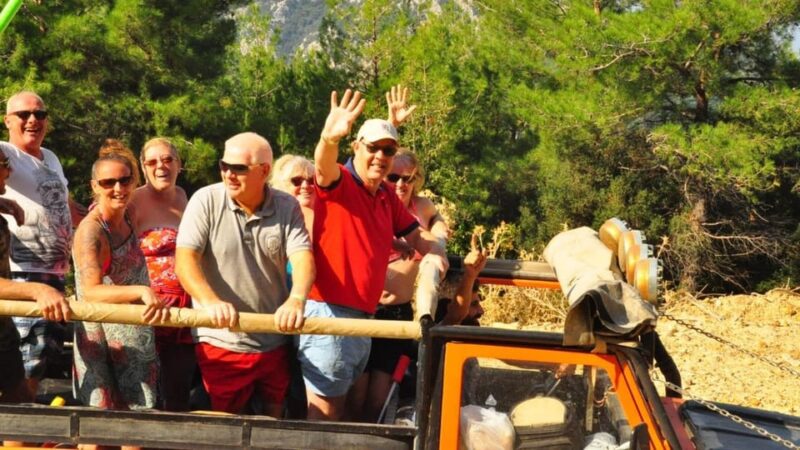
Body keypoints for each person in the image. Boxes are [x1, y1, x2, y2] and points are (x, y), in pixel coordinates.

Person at [300, 89, 448, 421]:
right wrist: (328, 137)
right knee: (324, 414)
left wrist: (438, 251)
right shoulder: (339, 183)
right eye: (373, 148)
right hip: (330, 314)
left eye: (388, 151)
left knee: (345, 413)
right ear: (355, 148)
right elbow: (323, 165)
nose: (381, 156)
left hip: (363, 318)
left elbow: (417, 235)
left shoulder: (384, 195)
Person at [175, 132, 314, 417]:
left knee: (272, 423)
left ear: (264, 171)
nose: (228, 174)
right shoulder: (205, 200)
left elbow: (303, 258)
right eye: (224, 166)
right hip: (221, 340)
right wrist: (210, 301)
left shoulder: (286, 205)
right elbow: (184, 260)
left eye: (238, 168)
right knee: (224, 427)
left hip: (274, 337)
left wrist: (297, 299)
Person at [72, 140, 168, 424]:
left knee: (136, 419)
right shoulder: (91, 232)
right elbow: (90, 291)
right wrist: (142, 291)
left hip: (133, 336)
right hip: (99, 338)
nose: (118, 188)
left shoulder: (128, 214)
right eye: (108, 182)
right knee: (96, 421)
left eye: (125, 180)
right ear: (94, 186)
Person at [1, 91, 86, 397]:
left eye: (40, 114)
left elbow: (66, 205)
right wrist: (2, 204)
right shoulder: (4, 152)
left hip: (55, 278)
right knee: (18, 371)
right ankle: (16, 439)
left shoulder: (50, 157)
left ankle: (24, 437)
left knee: (37, 363)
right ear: (8, 120)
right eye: (23, 115)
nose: (33, 120)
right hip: (23, 278)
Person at [362, 147, 450, 421]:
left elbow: (437, 222)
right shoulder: (374, 200)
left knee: (378, 399)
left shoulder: (421, 207)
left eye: (408, 178)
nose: (401, 184)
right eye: (394, 177)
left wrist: (438, 232)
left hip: (397, 310)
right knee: (353, 393)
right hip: (363, 309)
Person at [0, 146, 71, 405]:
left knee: (19, 403)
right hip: (10, 317)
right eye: (4, 164)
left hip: (4, 332)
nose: (10, 171)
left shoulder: (51, 157)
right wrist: (37, 290)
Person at [129, 137, 194, 412]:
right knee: (143, 395)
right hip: (146, 313)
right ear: (143, 168)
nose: (161, 167)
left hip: (183, 314)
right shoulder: (133, 201)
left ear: (179, 164)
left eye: (168, 160)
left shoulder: (185, 198)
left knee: (178, 393)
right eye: (152, 162)